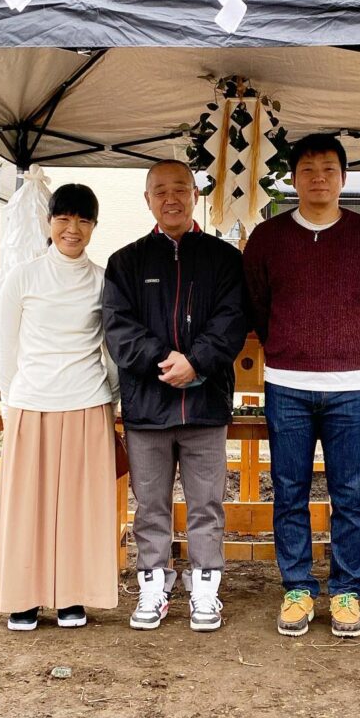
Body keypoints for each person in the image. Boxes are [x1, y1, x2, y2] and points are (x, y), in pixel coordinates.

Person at [243, 133, 360, 638]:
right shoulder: (267, 238)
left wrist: (351, 350)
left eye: (329, 169)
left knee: (350, 492)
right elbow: (258, 307)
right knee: (288, 489)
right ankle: (297, 587)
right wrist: (288, 347)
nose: (318, 179)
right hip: (285, 382)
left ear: (344, 178)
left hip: (350, 385)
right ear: (292, 178)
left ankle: (347, 591)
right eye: (308, 170)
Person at [103, 160, 246, 632]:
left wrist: (197, 362)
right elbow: (118, 330)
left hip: (205, 406)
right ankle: (153, 585)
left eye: (180, 189)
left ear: (195, 194)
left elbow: (231, 322)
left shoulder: (224, 260)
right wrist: (165, 360)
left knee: (208, 503)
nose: (171, 198)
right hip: (147, 407)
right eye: (160, 191)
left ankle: (206, 588)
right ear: (147, 200)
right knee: (150, 505)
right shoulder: (125, 262)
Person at [0, 183, 120, 631]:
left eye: (83, 220)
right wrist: (12, 403)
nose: (73, 228)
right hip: (31, 403)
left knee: (82, 508)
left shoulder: (104, 280)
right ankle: (23, 598)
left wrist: (112, 396)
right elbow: (4, 349)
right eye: (64, 218)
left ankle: (72, 597)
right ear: (49, 222)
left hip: (88, 402)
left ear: (94, 227)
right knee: (28, 506)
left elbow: (113, 349)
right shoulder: (21, 277)